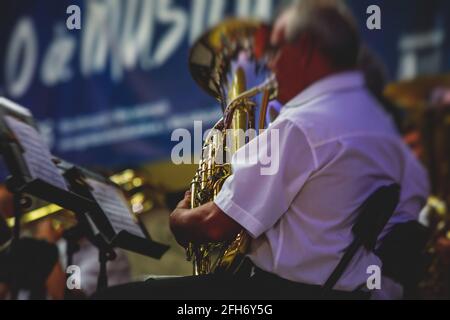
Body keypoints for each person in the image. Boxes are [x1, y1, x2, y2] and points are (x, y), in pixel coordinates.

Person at [94, 0, 429, 300]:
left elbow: (213, 226)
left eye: (277, 51)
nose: (271, 66)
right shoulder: (383, 131)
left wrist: (180, 218)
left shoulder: (301, 124)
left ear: (307, 49)